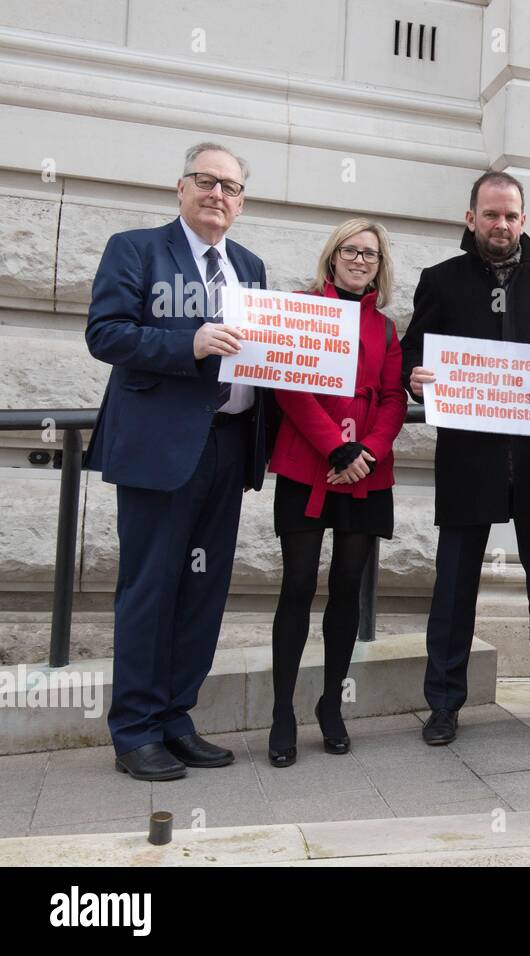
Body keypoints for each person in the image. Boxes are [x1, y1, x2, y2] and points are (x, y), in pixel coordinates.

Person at [85, 142, 268, 781]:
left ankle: (174, 717)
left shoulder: (250, 265)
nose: (218, 194)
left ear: (241, 202)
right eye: (206, 181)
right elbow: (104, 333)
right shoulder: (135, 250)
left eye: (231, 187)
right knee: (150, 588)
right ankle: (134, 729)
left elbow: (265, 350)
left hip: (229, 445)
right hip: (160, 450)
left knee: (202, 589)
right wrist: (185, 342)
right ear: (181, 188)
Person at [402, 171, 530, 746]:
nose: (501, 225)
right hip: (468, 458)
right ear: (470, 217)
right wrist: (417, 380)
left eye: (511, 216)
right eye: (491, 214)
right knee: (453, 586)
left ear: (523, 221)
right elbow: (410, 355)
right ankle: (445, 703)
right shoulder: (441, 280)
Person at [264, 219, 406, 767]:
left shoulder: (387, 329)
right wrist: (335, 449)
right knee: (297, 584)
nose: (360, 259)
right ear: (332, 255)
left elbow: (394, 397)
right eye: (350, 250)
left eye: (370, 254)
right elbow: (289, 384)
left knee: (348, 588)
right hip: (309, 464)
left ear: (379, 264)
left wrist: (366, 450)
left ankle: (331, 705)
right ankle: (282, 711)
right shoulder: (302, 308)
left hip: (367, 470)